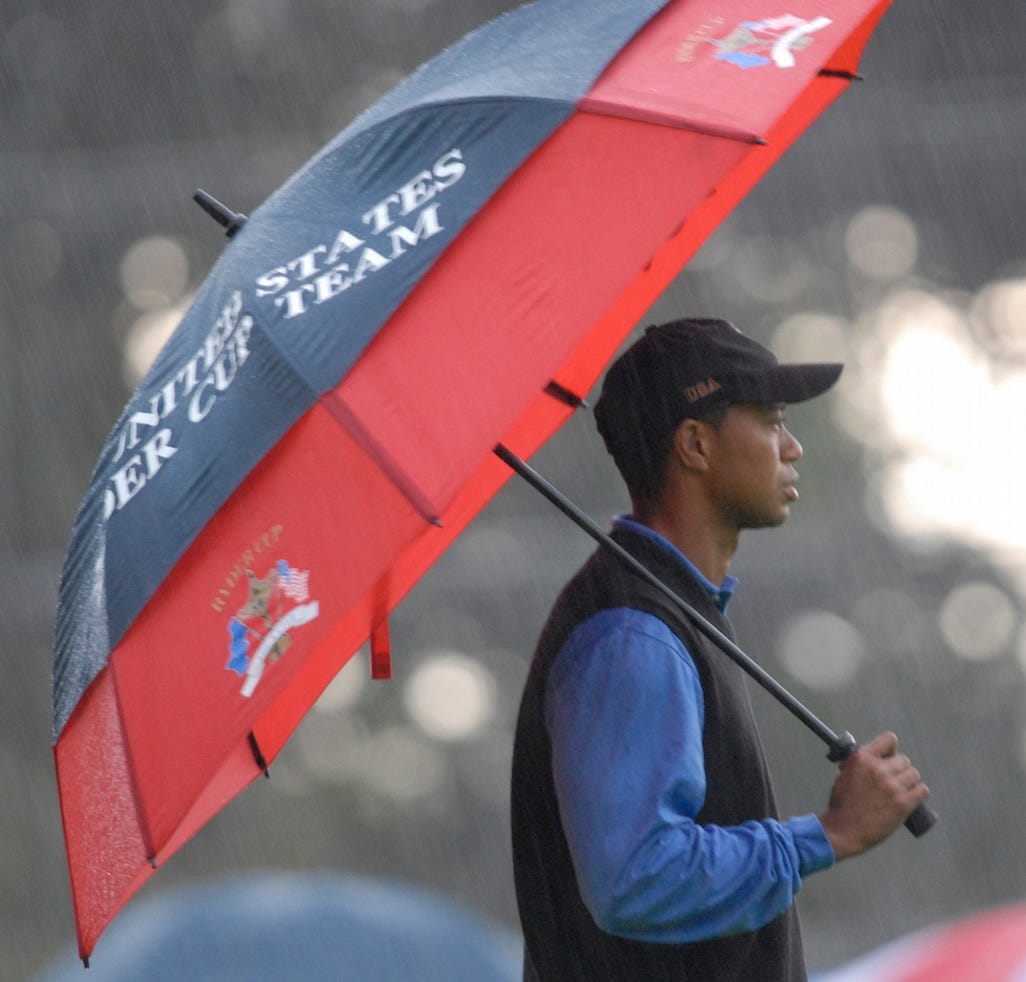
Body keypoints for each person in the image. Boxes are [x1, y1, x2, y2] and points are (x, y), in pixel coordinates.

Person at [510, 318, 930, 981]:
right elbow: (635, 880)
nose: (792, 446)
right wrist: (829, 833)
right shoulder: (633, 635)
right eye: (770, 421)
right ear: (696, 445)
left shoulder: (667, 612)